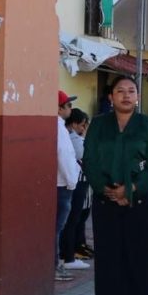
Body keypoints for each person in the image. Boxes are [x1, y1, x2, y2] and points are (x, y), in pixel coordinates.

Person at [82, 75, 148, 295]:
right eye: (120, 91)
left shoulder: (147, 125)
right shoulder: (99, 125)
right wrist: (107, 189)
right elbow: (89, 160)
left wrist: (130, 190)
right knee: (107, 265)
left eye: (131, 91)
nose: (126, 95)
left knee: (138, 263)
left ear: (137, 96)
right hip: (106, 203)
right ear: (110, 97)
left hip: (139, 203)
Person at [60, 108, 92, 271]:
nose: (83, 128)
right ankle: (69, 255)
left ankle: (72, 251)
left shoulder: (67, 135)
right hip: (76, 183)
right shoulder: (73, 139)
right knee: (73, 219)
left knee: (75, 218)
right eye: (82, 125)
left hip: (74, 182)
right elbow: (87, 155)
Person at [55, 91, 82, 282]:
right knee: (57, 228)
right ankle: (55, 265)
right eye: (68, 105)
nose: (70, 108)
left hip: (61, 182)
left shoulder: (59, 127)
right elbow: (63, 156)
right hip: (63, 184)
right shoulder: (59, 128)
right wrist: (72, 181)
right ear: (59, 108)